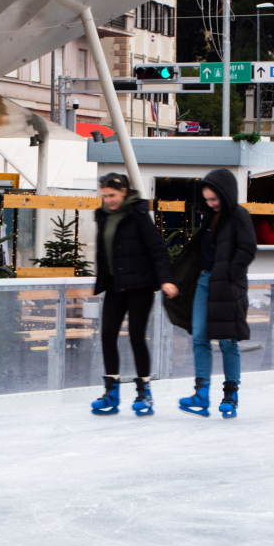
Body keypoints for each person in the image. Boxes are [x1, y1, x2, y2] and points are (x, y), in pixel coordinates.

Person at [164, 168, 257, 419]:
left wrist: (228, 273)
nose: (210, 203)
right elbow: (197, 254)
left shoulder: (239, 216)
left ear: (226, 194)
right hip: (205, 282)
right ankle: (202, 393)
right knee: (199, 336)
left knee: (228, 340)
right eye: (206, 199)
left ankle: (230, 396)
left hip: (228, 285)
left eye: (214, 199)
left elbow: (248, 249)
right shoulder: (208, 218)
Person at [89, 173, 177, 416]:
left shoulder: (138, 215)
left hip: (140, 285)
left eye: (112, 195)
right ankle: (111, 392)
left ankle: (144, 393)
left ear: (124, 192)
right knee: (107, 334)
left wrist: (166, 279)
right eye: (104, 195)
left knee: (136, 336)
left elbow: (157, 249)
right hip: (116, 285)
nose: (108, 200)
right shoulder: (103, 216)